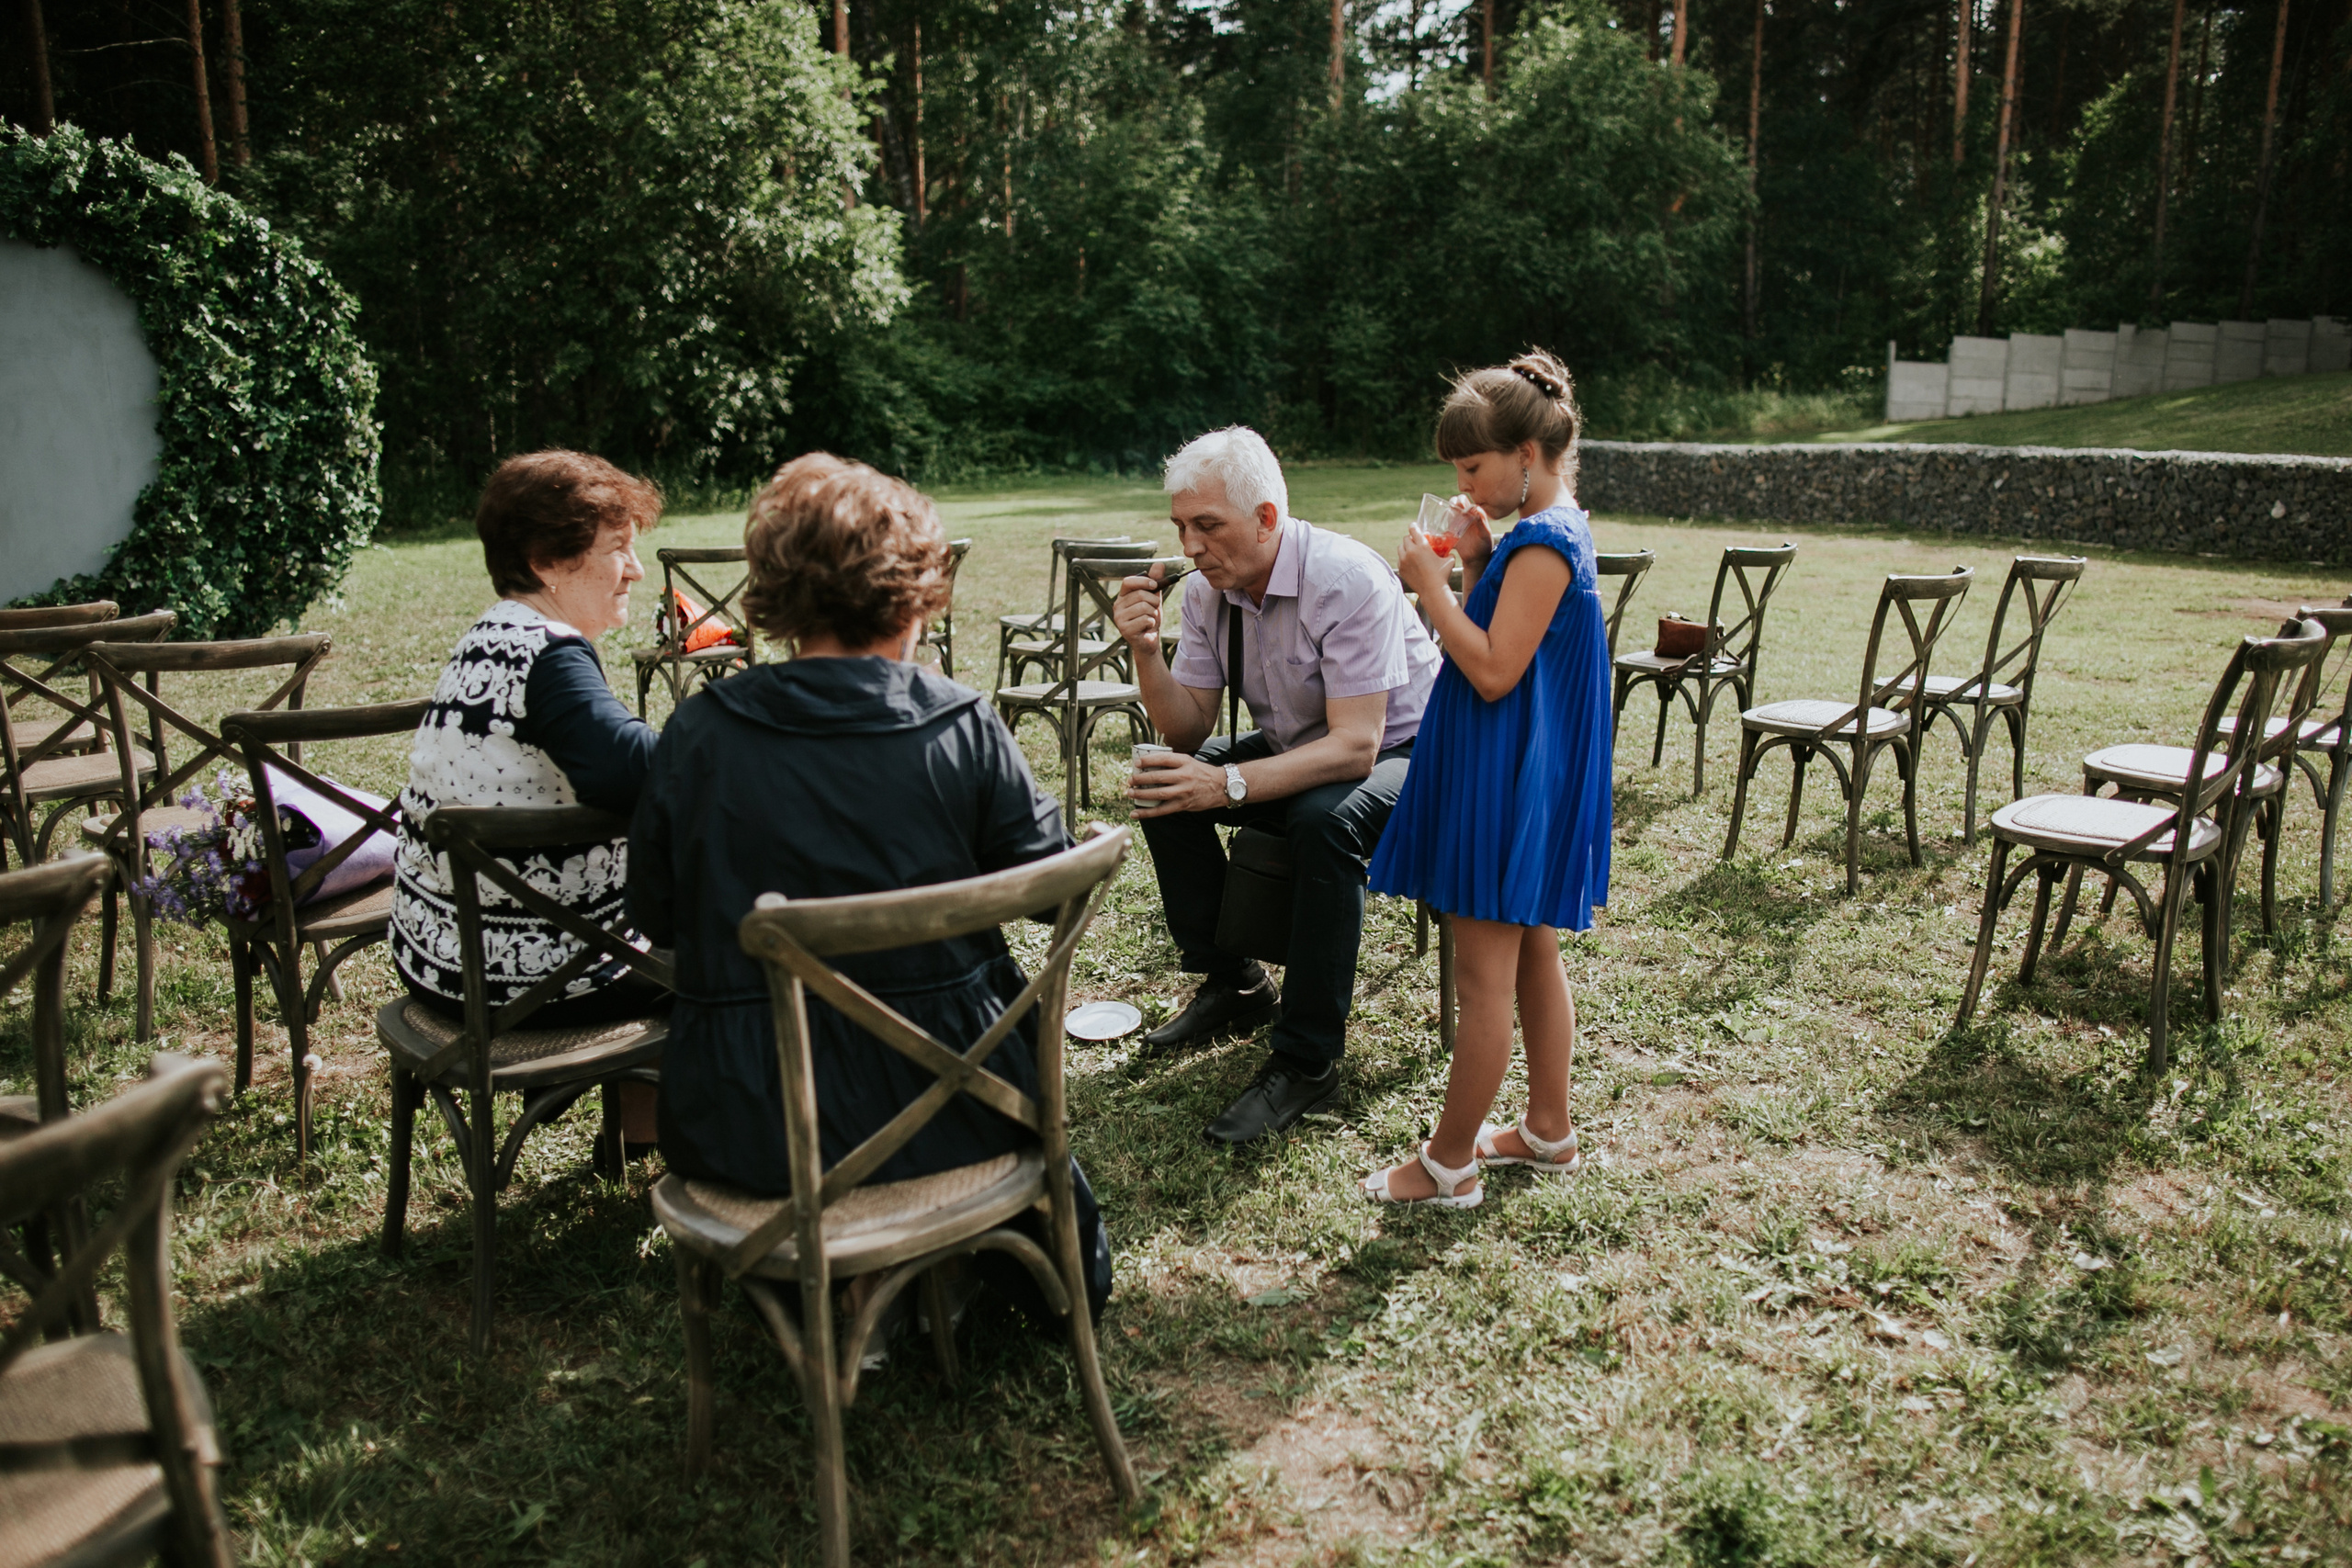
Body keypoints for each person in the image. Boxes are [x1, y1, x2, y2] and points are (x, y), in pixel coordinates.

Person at [628, 453, 1113, 1316]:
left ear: (775, 590)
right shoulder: (962, 727)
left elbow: (656, 916)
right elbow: (1055, 890)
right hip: (959, 1107)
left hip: (749, 1121)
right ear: (915, 590)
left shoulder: (698, 731)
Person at [1114, 427, 1441, 1147]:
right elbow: (1187, 733)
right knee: (1164, 781)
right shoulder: (1208, 593)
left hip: (1408, 749)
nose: (1191, 546)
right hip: (1308, 740)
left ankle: (1308, 1058)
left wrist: (1227, 785)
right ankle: (1235, 982)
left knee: (1325, 820)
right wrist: (1145, 651)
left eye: (1208, 526)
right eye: (1181, 528)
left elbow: (1357, 744)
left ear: (1265, 518)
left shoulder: (1345, 578)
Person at [1360, 350, 1613, 1208]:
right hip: (1517, 778)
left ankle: (1448, 1163)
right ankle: (1547, 1128)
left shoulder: (1545, 542)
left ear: (1526, 458)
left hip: (1506, 789)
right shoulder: (1543, 533)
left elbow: (1495, 671)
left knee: (1482, 986)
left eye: (1473, 466)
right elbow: (1504, 648)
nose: (1465, 481)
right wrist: (1470, 563)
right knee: (1534, 953)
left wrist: (1428, 588)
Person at [390, 450, 667, 1155]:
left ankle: (638, 1132)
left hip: (438, 955)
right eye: (617, 550)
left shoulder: (488, 636)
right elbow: (633, 771)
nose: (635, 570)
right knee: (738, 953)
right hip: (523, 978)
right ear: (548, 560)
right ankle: (713, 1152)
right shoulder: (549, 656)